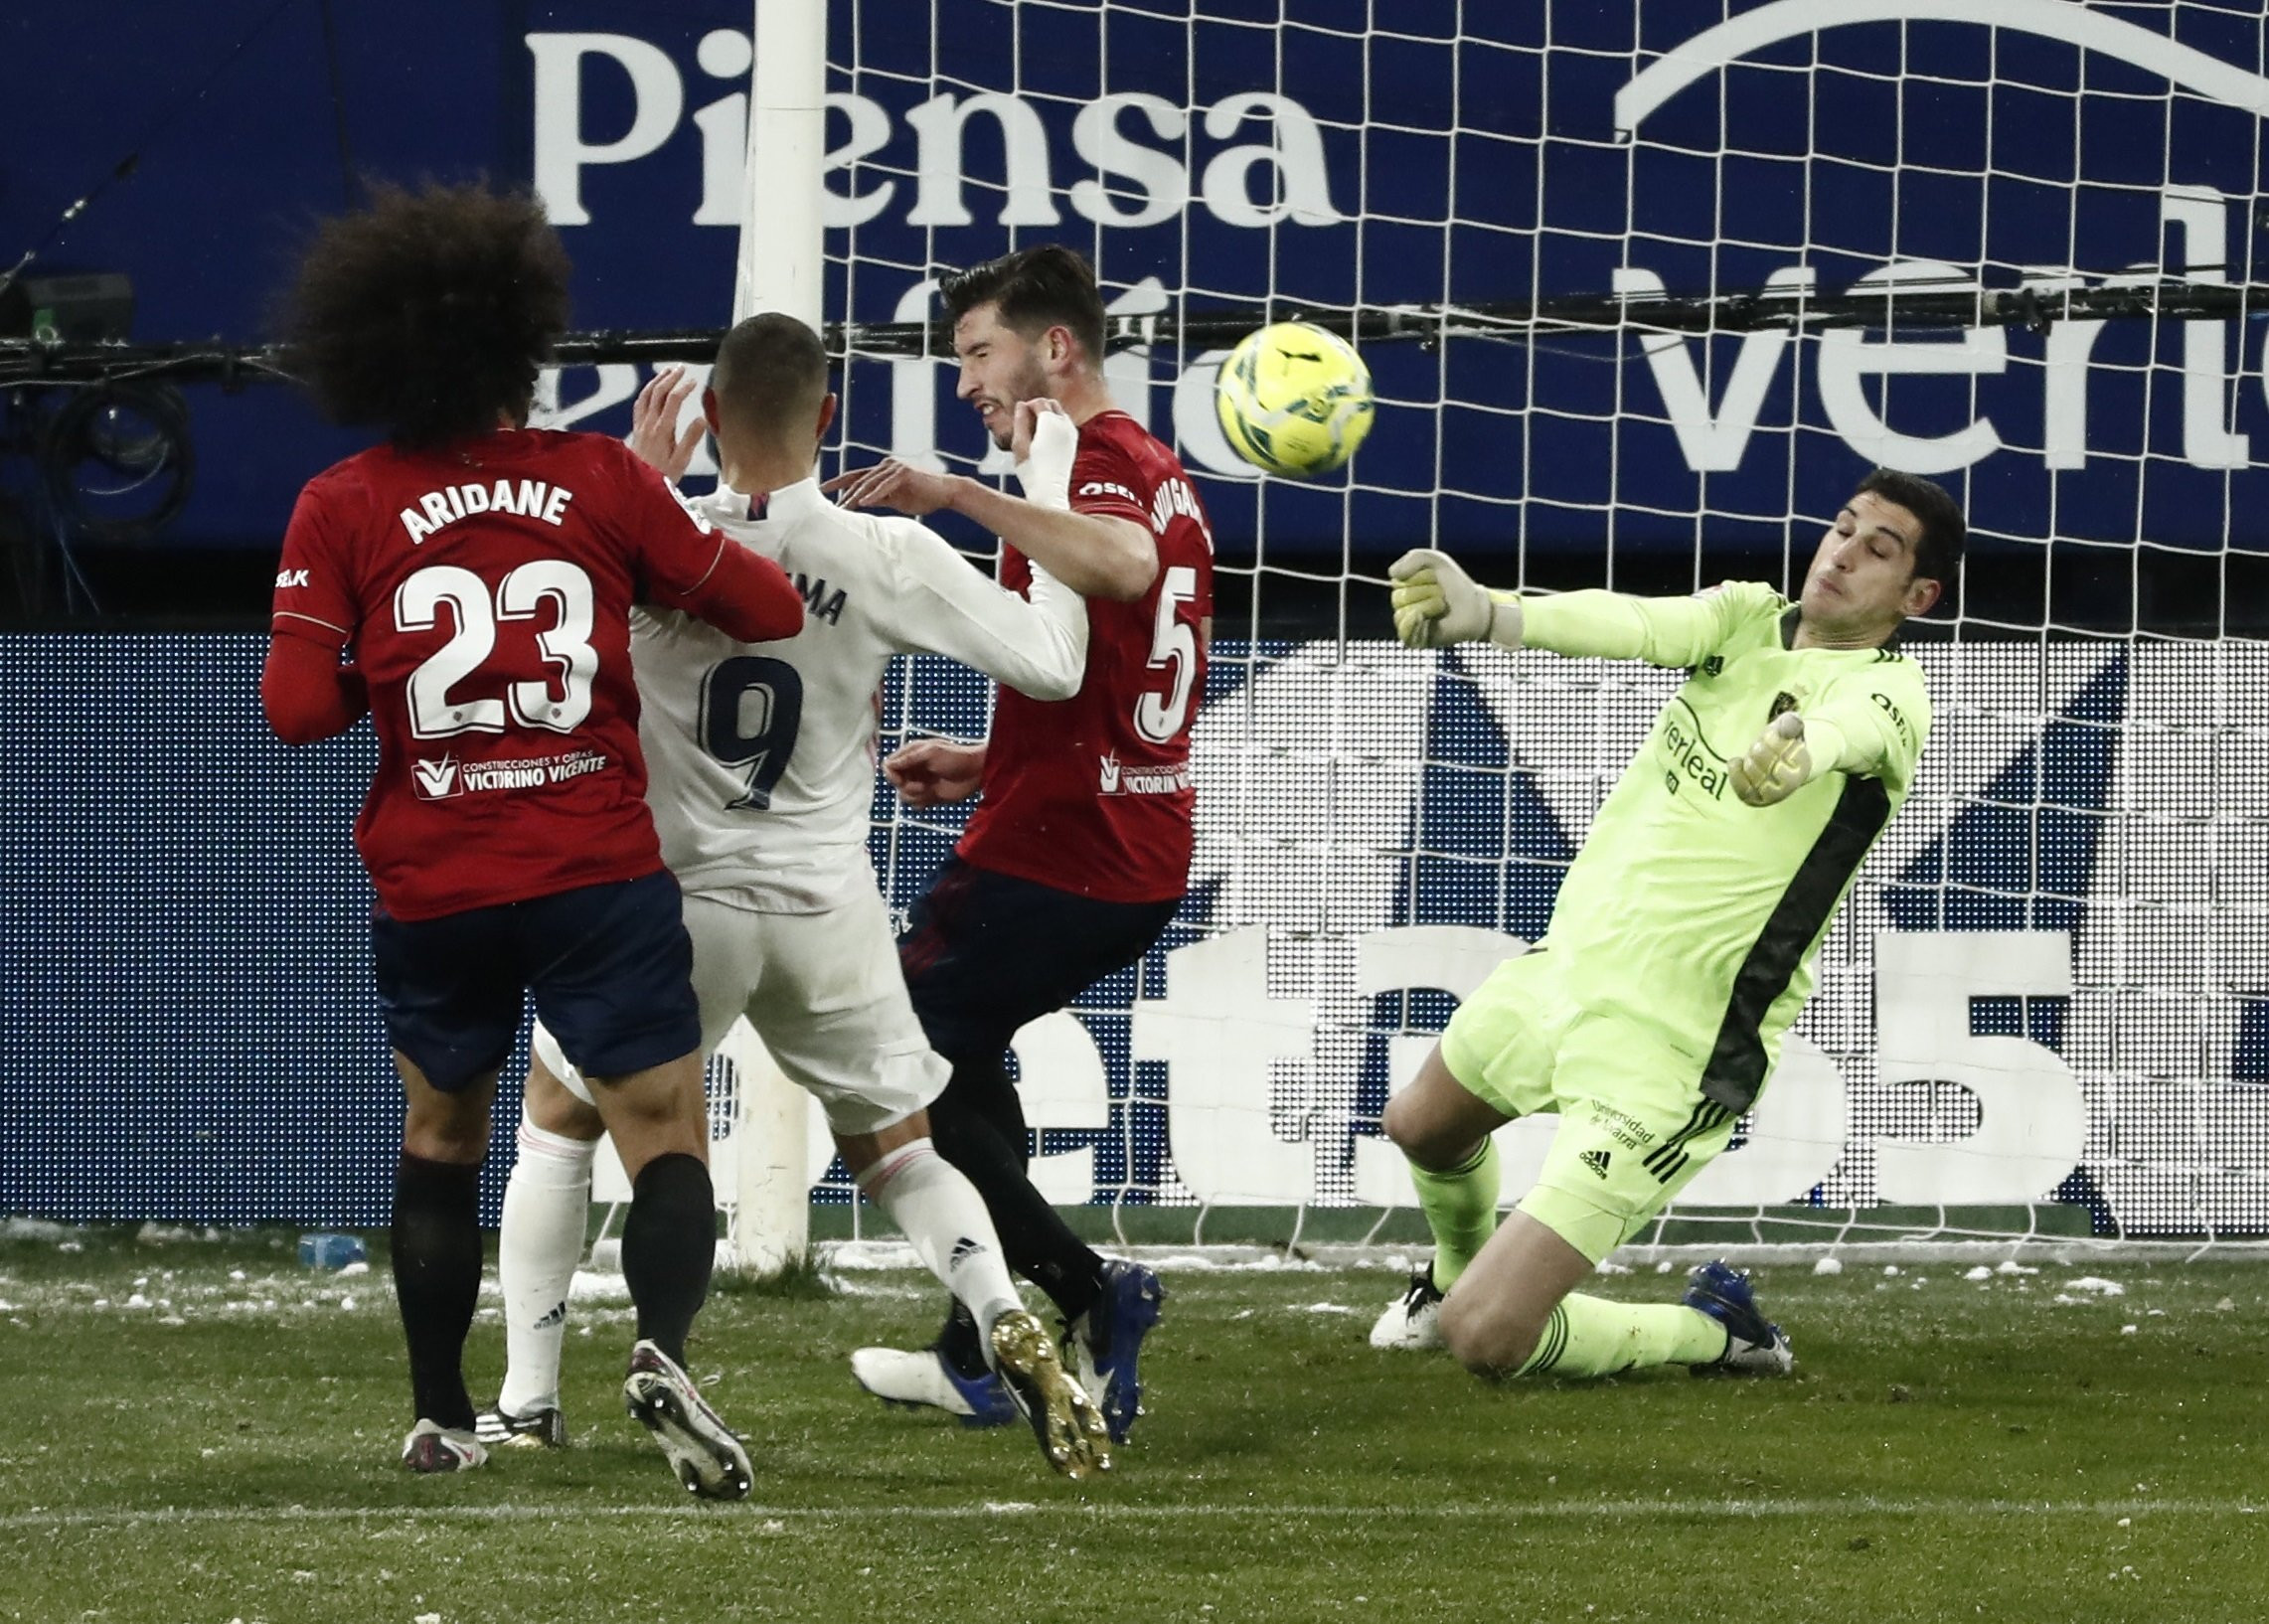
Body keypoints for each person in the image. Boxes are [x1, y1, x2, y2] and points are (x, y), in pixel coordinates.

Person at [475, 312, 1116, 1478]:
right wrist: (1051, 477)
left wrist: (640, 479)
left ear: (709, 417)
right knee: (901, 1151)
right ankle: (994, 1302)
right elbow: (1056, 664)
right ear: (827, 419)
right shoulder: (886, 555)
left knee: (558, 1122)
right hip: (828, 906)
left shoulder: (652, 537)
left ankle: (526, 1397)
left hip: (674, 904)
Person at [260, 182, 804, 1495]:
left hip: (437, 878)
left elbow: (294, 712)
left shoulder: (342, 501)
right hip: (592, 871)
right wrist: (650, 528)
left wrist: (373, 667)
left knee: (443, 1134)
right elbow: (767, 604)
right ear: (520, 346)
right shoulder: (602, 477)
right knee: (664, 1133)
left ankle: (443, 1414)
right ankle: (663, 1353)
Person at [1371, 469, 1962, 1380]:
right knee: (1419, 1126)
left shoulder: (1892, 695)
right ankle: (1447, 1277)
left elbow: (1851, 730)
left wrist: (1803, 750)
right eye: (1841, 529)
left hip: (1673, 1047)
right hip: (1566, 974)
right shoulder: (1742, 620)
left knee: (1489, 1340)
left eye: (1876, 550)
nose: (1841, 553)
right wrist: (1489, 611)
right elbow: (1641, 625)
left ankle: (1719, 1333)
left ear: (1915, 597)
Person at [822, 245, 1211, 1443]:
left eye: (979, 353)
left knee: (878, 1077)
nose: (968, 384)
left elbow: (1121, 566)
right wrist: (992, 756)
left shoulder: (1084, 464)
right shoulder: (1156, 463)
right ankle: (974, 1348)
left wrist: (955, 496)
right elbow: (1124, 659)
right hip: (1122, 837)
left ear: (1057, 348)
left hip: (1059, 852)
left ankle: (1088, 1292)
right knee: (961, 1056)